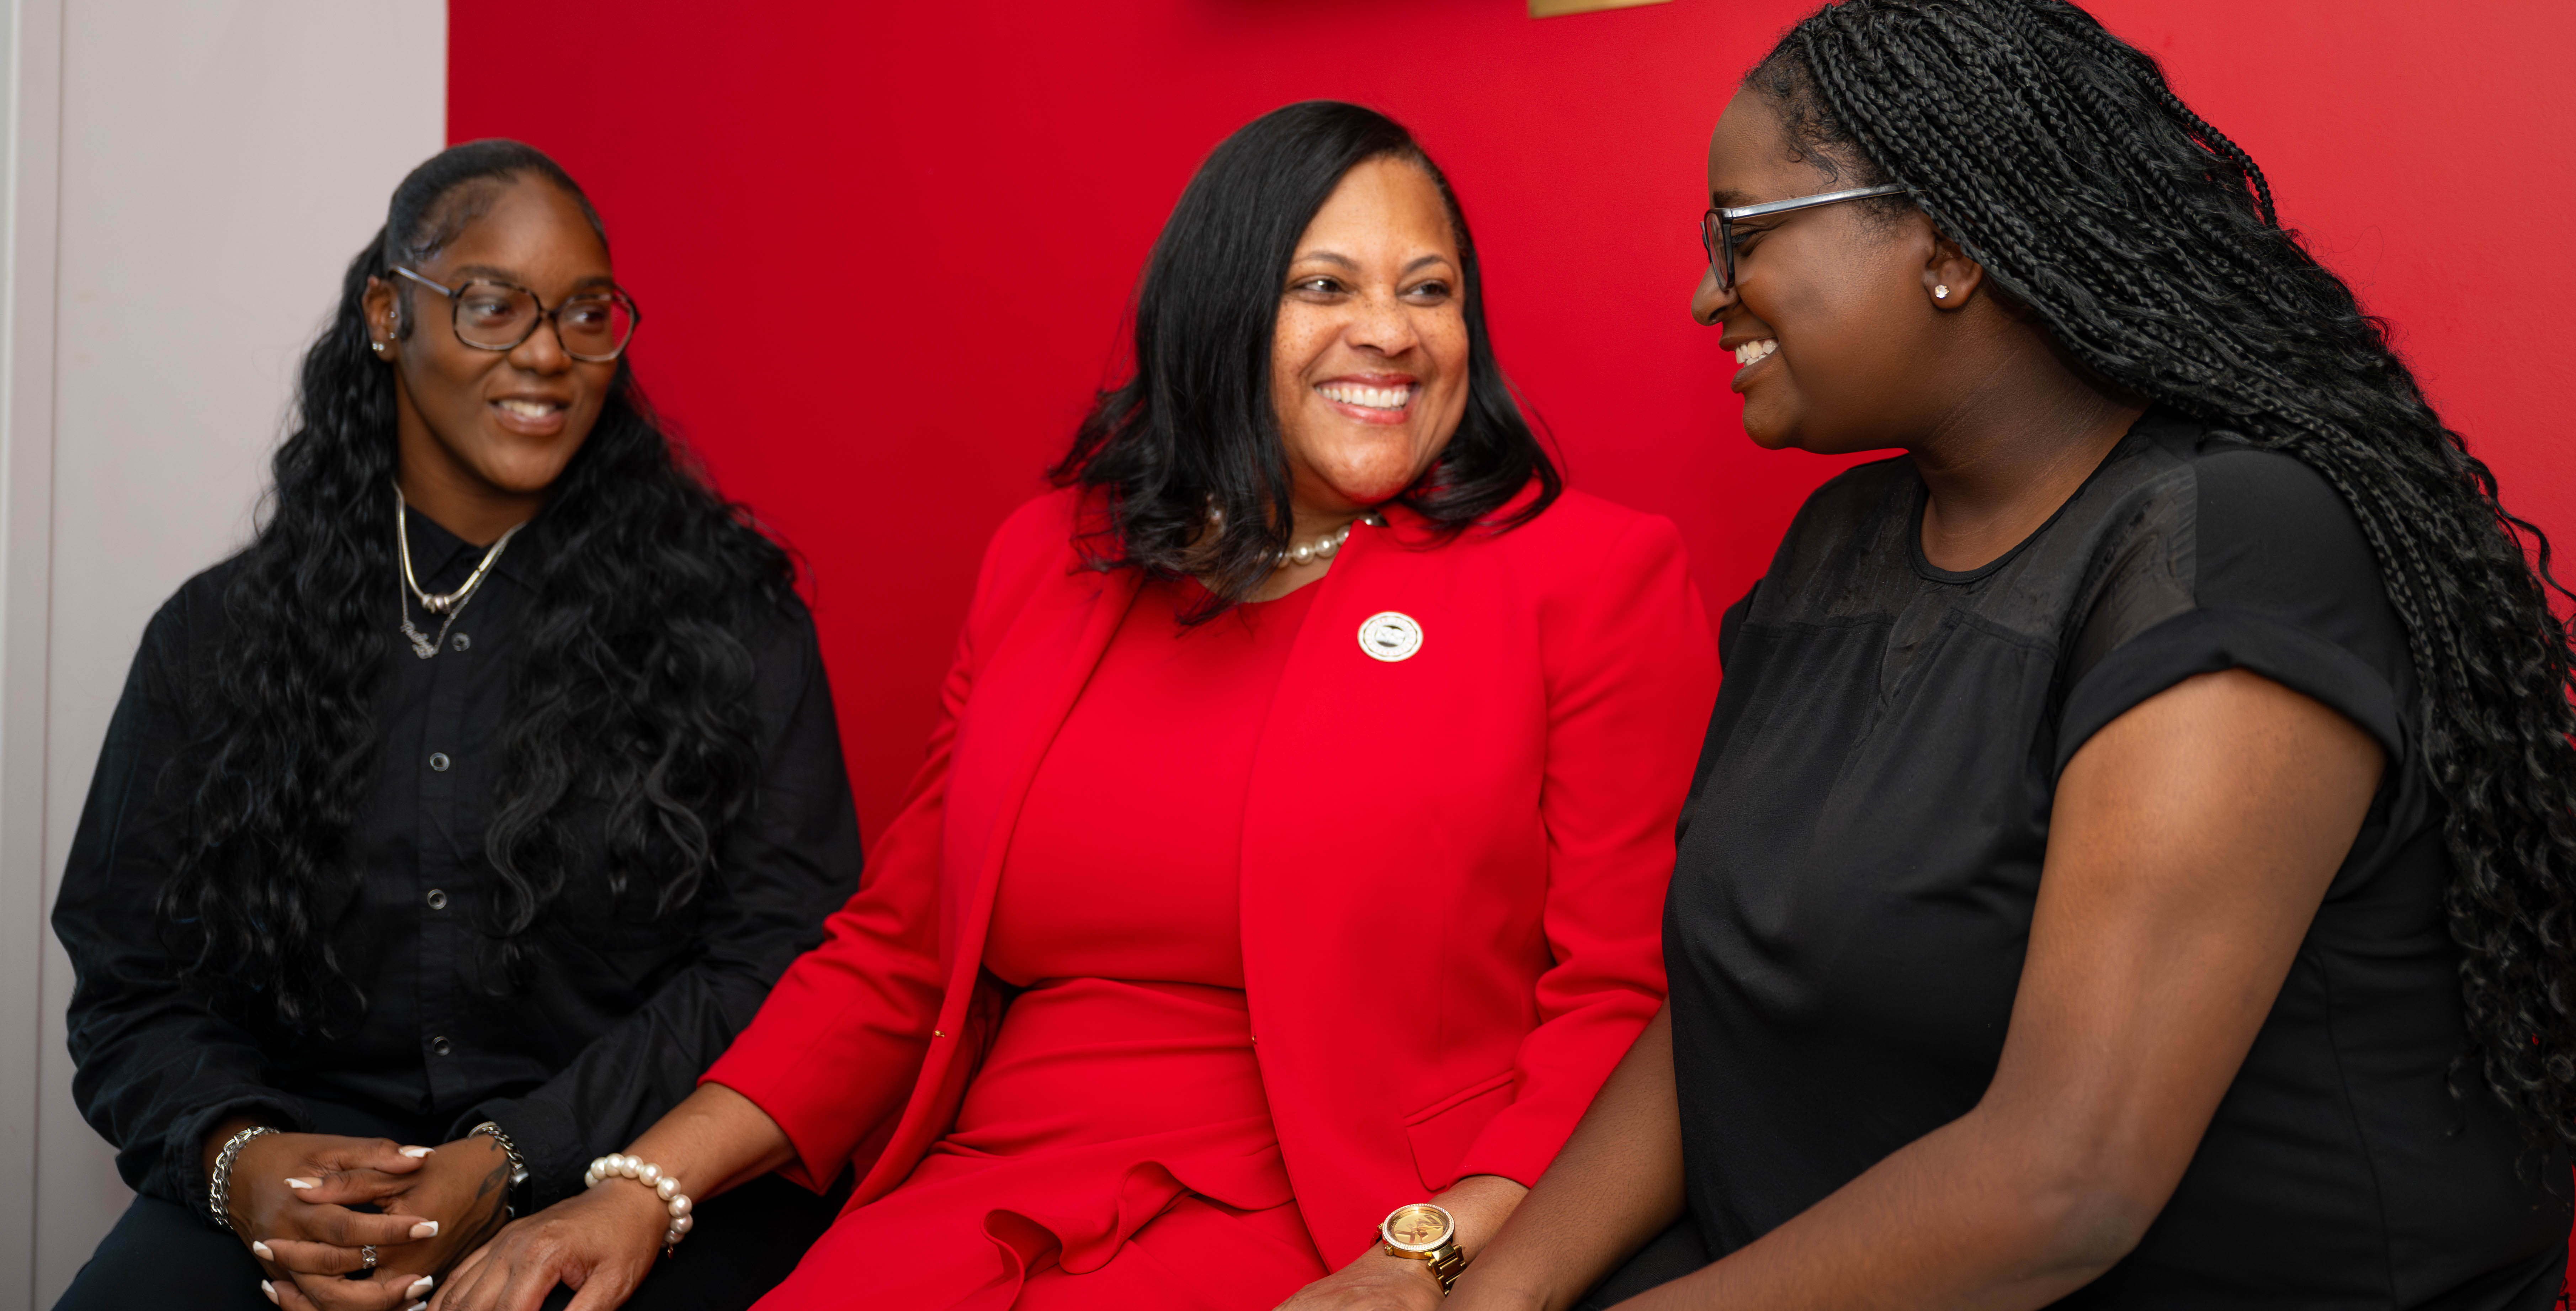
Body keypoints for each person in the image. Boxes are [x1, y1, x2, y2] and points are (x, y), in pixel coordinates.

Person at [1456, 0, 2576, 1311]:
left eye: (1740, 231)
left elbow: (2064, 1186)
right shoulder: (1839, 549)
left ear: (1946, 245)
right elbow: (1728, 1000)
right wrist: (1492, 1292)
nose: (1707, 294)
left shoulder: (2228, 548)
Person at [432, 101, 1717, 1311]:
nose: (1391, 331)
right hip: (981, 1197)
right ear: (1215, 314)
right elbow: (894, 951)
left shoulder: (1584, 576)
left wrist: (1439, 1254)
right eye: (1323, 286)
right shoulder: (1052, 562)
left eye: (1427, 291)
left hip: (1342, 1221)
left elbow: (1624, 995)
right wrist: (639, 1190)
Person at [52, 142, 862, 1311]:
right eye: (493, 306)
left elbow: (781, 950)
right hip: (312, 1187)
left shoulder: (730, 625)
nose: (547, 352)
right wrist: (243, 1163)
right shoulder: (214, 637)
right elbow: (131, 980)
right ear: (390, 313)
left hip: (626, 1167)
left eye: (587, 314)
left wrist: (516, 1154)